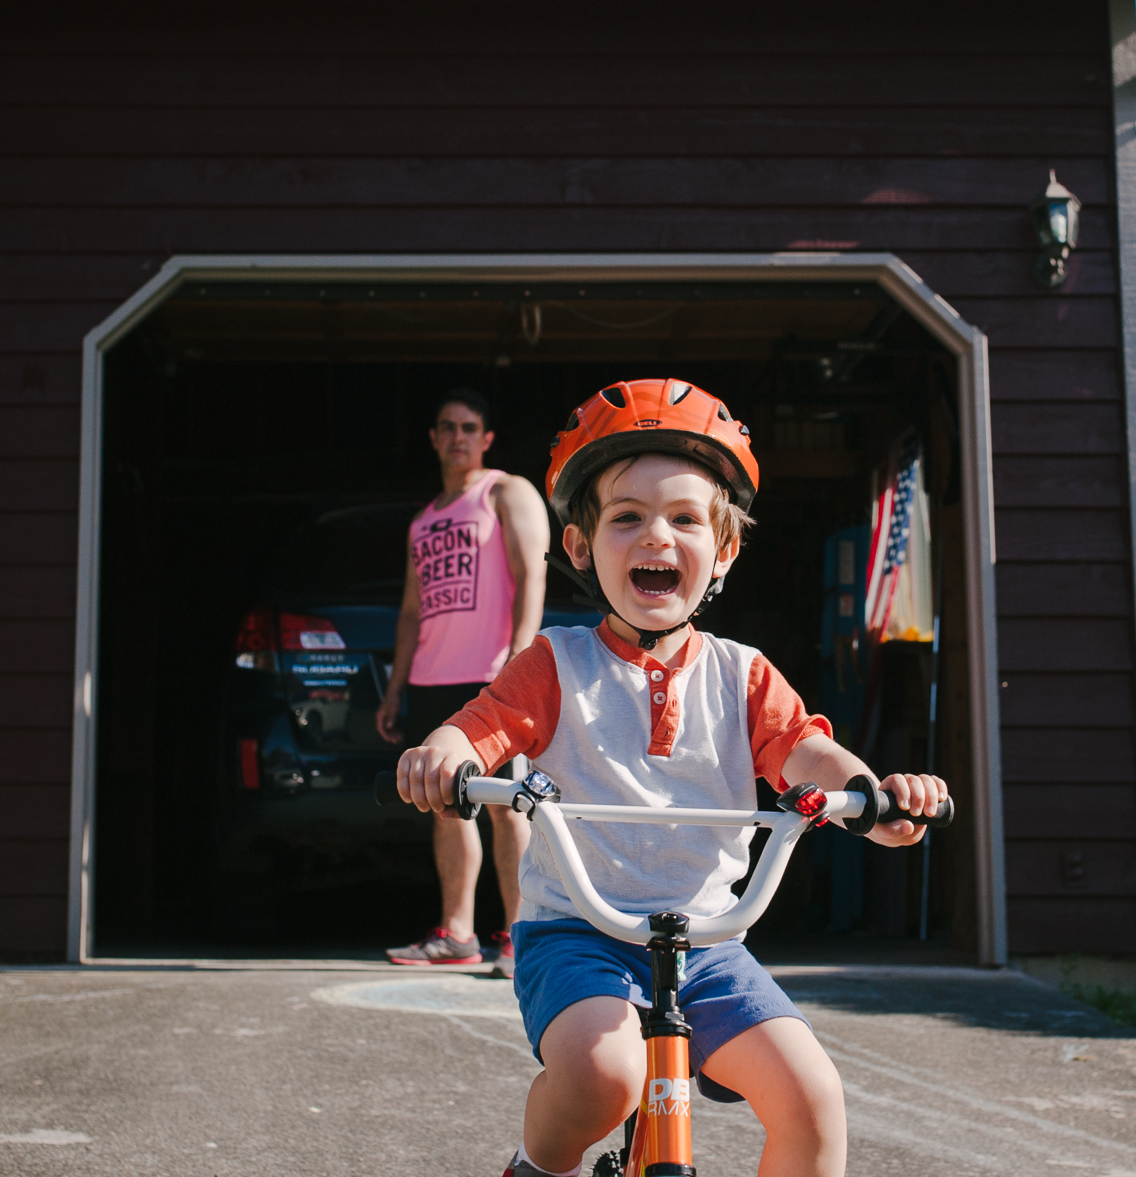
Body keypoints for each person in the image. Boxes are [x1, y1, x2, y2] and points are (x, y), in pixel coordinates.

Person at [394, 378, 948, 1177]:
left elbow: (806, 752)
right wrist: (443, 752)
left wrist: (874, 796)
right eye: (627, 517)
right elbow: (480, 726)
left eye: (686, 518)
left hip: (711, 945)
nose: (657, 534)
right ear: (582, 548)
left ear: (723, 550)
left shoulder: (742, 674)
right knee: (603, 1075)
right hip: (579, 937)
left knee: (813, 1097)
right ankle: (537, 1163)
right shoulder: (557, 663)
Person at [377, 388, 548, 974]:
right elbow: (409, 611)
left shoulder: (504, 491)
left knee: (507, 808)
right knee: (446, 806)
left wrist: (520, 661)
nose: (457, 437)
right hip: (431, 676)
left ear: (486, 438)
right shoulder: (424, 520)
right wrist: (396, 687)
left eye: (468, 427)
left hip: (490, 675)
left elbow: (531, 576)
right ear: (433, 437)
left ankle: (520, 937)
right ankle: (456, 933)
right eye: (446, 427)